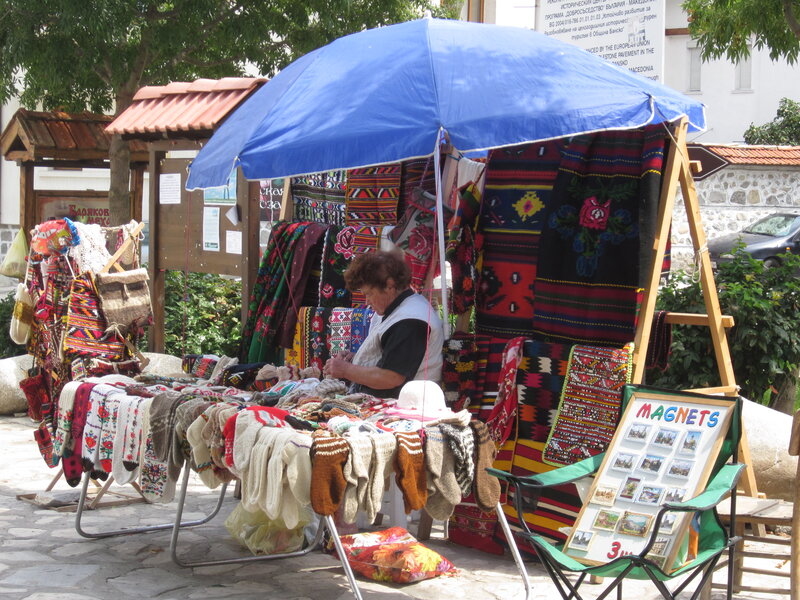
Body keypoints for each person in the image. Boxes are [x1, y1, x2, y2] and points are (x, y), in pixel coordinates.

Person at [322, 250, 443, 398]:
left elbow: (391, 378)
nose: (367, 302)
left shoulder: (411, 321)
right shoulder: (398, 308)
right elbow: (391, 358)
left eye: (369, 294)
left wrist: (346, 370)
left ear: (389, 285)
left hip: (405, 409)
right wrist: (356, 359)